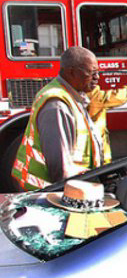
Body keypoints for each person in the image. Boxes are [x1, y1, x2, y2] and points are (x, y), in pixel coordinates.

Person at [12, 46, 103, 190]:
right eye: (92, 72)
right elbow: (60, 170)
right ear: (71, 72)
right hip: (44, 194)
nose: (97, 77)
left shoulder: (72, 97)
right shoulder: (57, 106)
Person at [88, 79, 127, 165]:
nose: (96, 77)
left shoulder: (72, 93)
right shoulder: (94, 95)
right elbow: (117, 97)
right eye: (92, 75)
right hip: (94, 144)